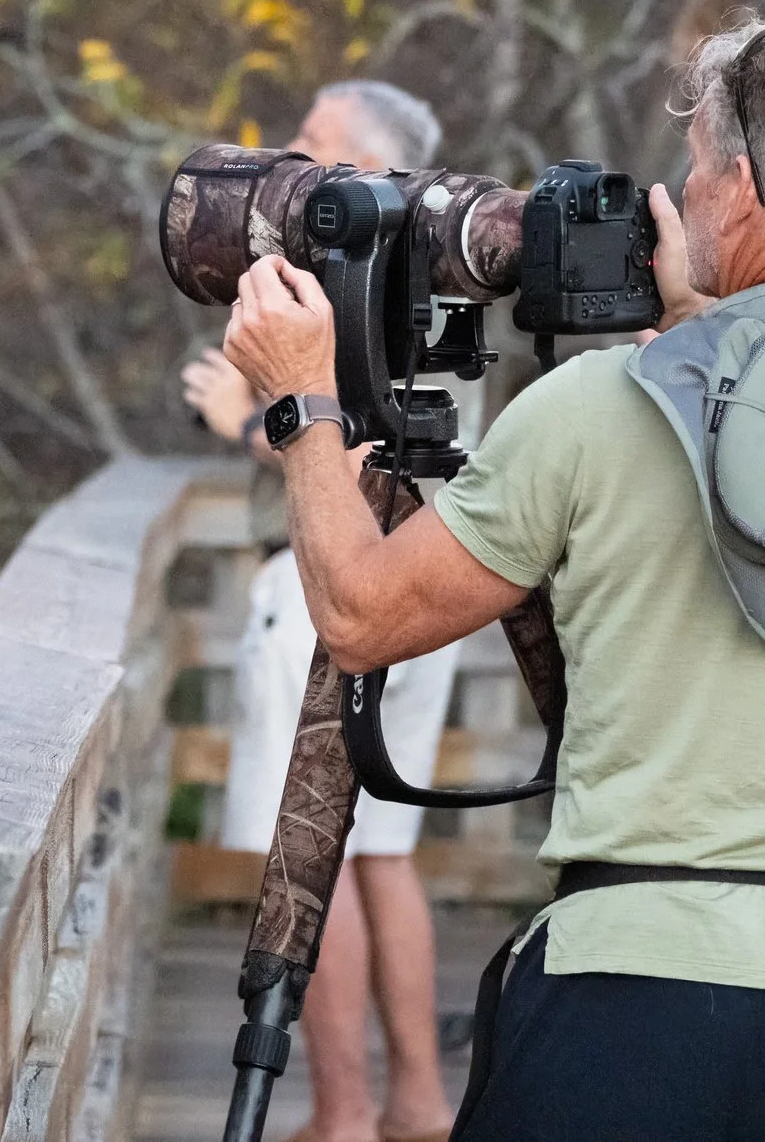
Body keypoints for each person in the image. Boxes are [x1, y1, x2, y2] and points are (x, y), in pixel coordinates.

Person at [220, 17, 765, 1141]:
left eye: (693, 169)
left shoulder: (593, 412)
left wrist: (303, 400)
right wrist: (708, 322)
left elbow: (359, 616)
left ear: (736, 184)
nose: (673, 197)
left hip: (628, 993)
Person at [182, 79, 461, 1142]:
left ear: (374, 174)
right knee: (382, 851)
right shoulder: (439, 271)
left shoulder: (346, 281)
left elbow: (335, 448)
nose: (281, 162)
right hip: (433, 570)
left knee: (313, 852)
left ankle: (340, 1113)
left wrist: (238, 418)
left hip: (332, 586)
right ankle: (419, 1102)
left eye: (310, 145)